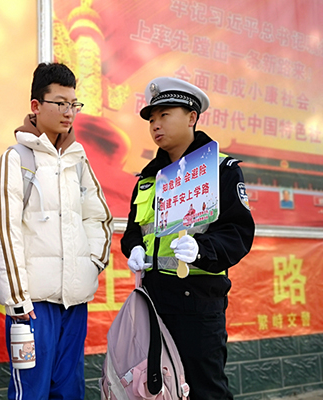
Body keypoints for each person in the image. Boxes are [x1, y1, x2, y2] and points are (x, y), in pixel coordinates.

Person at [0, 62, 113, 400]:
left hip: (74, 303)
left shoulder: (78, 161)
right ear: (36, 106)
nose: (69, 112)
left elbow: (98, 218)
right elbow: (0, 231)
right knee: (31, 392)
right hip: (33, 306)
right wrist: (17, 299)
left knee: (69, 391)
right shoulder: (16, 159)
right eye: (60, 103)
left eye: (74, 104)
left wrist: (91, 265)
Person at [121, 77, 255, 399]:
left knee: (205, 390)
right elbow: (133, 231)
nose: (156, 125)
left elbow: (238, 232)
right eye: (151, 119)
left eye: (164, 115)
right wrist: (134, 248)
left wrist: (201, 249)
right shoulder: (148, 178)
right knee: (156, 390)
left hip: (197, 302)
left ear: (192, 117)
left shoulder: (220, 169)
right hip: (153, 302)